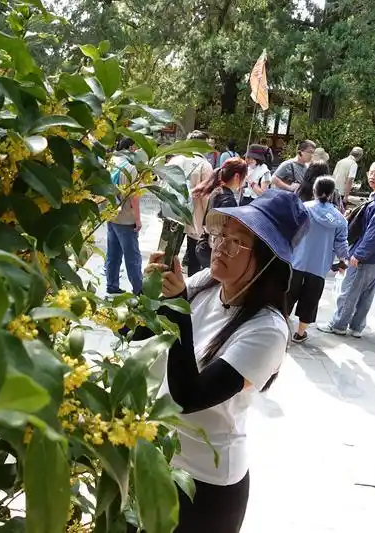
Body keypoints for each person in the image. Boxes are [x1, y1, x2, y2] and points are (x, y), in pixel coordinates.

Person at [144, 189, 308, 533]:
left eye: (237, 242)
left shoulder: (267, 330)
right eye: (221, 236)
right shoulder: (206, 284)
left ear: (267, 260)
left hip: (205, 485)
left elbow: (190, 397)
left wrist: (178, 308)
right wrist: (153, 292)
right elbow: (144, 336)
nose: (220, 247)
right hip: (154, 458)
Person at [318, 160, 375, 337]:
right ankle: (356, 326)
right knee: (366, 292)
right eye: (370, 172)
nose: (372, 177)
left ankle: (338, 324)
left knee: (351, 289)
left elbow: (374, 230)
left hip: (370, 255)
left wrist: (360, 254)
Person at [288, 177, 348, 343]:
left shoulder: (303, 208)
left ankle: (282, 328)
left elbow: (290, 231)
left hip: (296, 262)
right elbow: (341, 245)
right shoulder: (339, 219)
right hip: (319, 267)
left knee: (287, 296)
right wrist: (344, 261)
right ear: (331, 194)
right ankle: (300, 333)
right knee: (310, 301)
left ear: (314, 191)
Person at [170, 131, 215, 276]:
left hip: (173, 213)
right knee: (194, 256)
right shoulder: (204, 165)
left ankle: (165, 284)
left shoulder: (174, 160)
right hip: (195, 216)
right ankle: (190, 289)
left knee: (169, 253)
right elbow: (206, 197)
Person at [196, 158, 250, 269]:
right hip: (212, 249)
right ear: (237, 177)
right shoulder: (228, 200)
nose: (245, 181)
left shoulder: (217, 190)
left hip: (203, 245)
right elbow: (223, 232)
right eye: (245, 177)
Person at [105, 137, 143, 295]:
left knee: (112, 253)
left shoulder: (111, 161)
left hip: (110, 214)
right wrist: (138, 218)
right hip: (126, 218)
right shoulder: (130, 166)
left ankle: (111, 284)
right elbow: (134, 196)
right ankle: (139, 290)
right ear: (132, 147)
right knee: (132, 256)